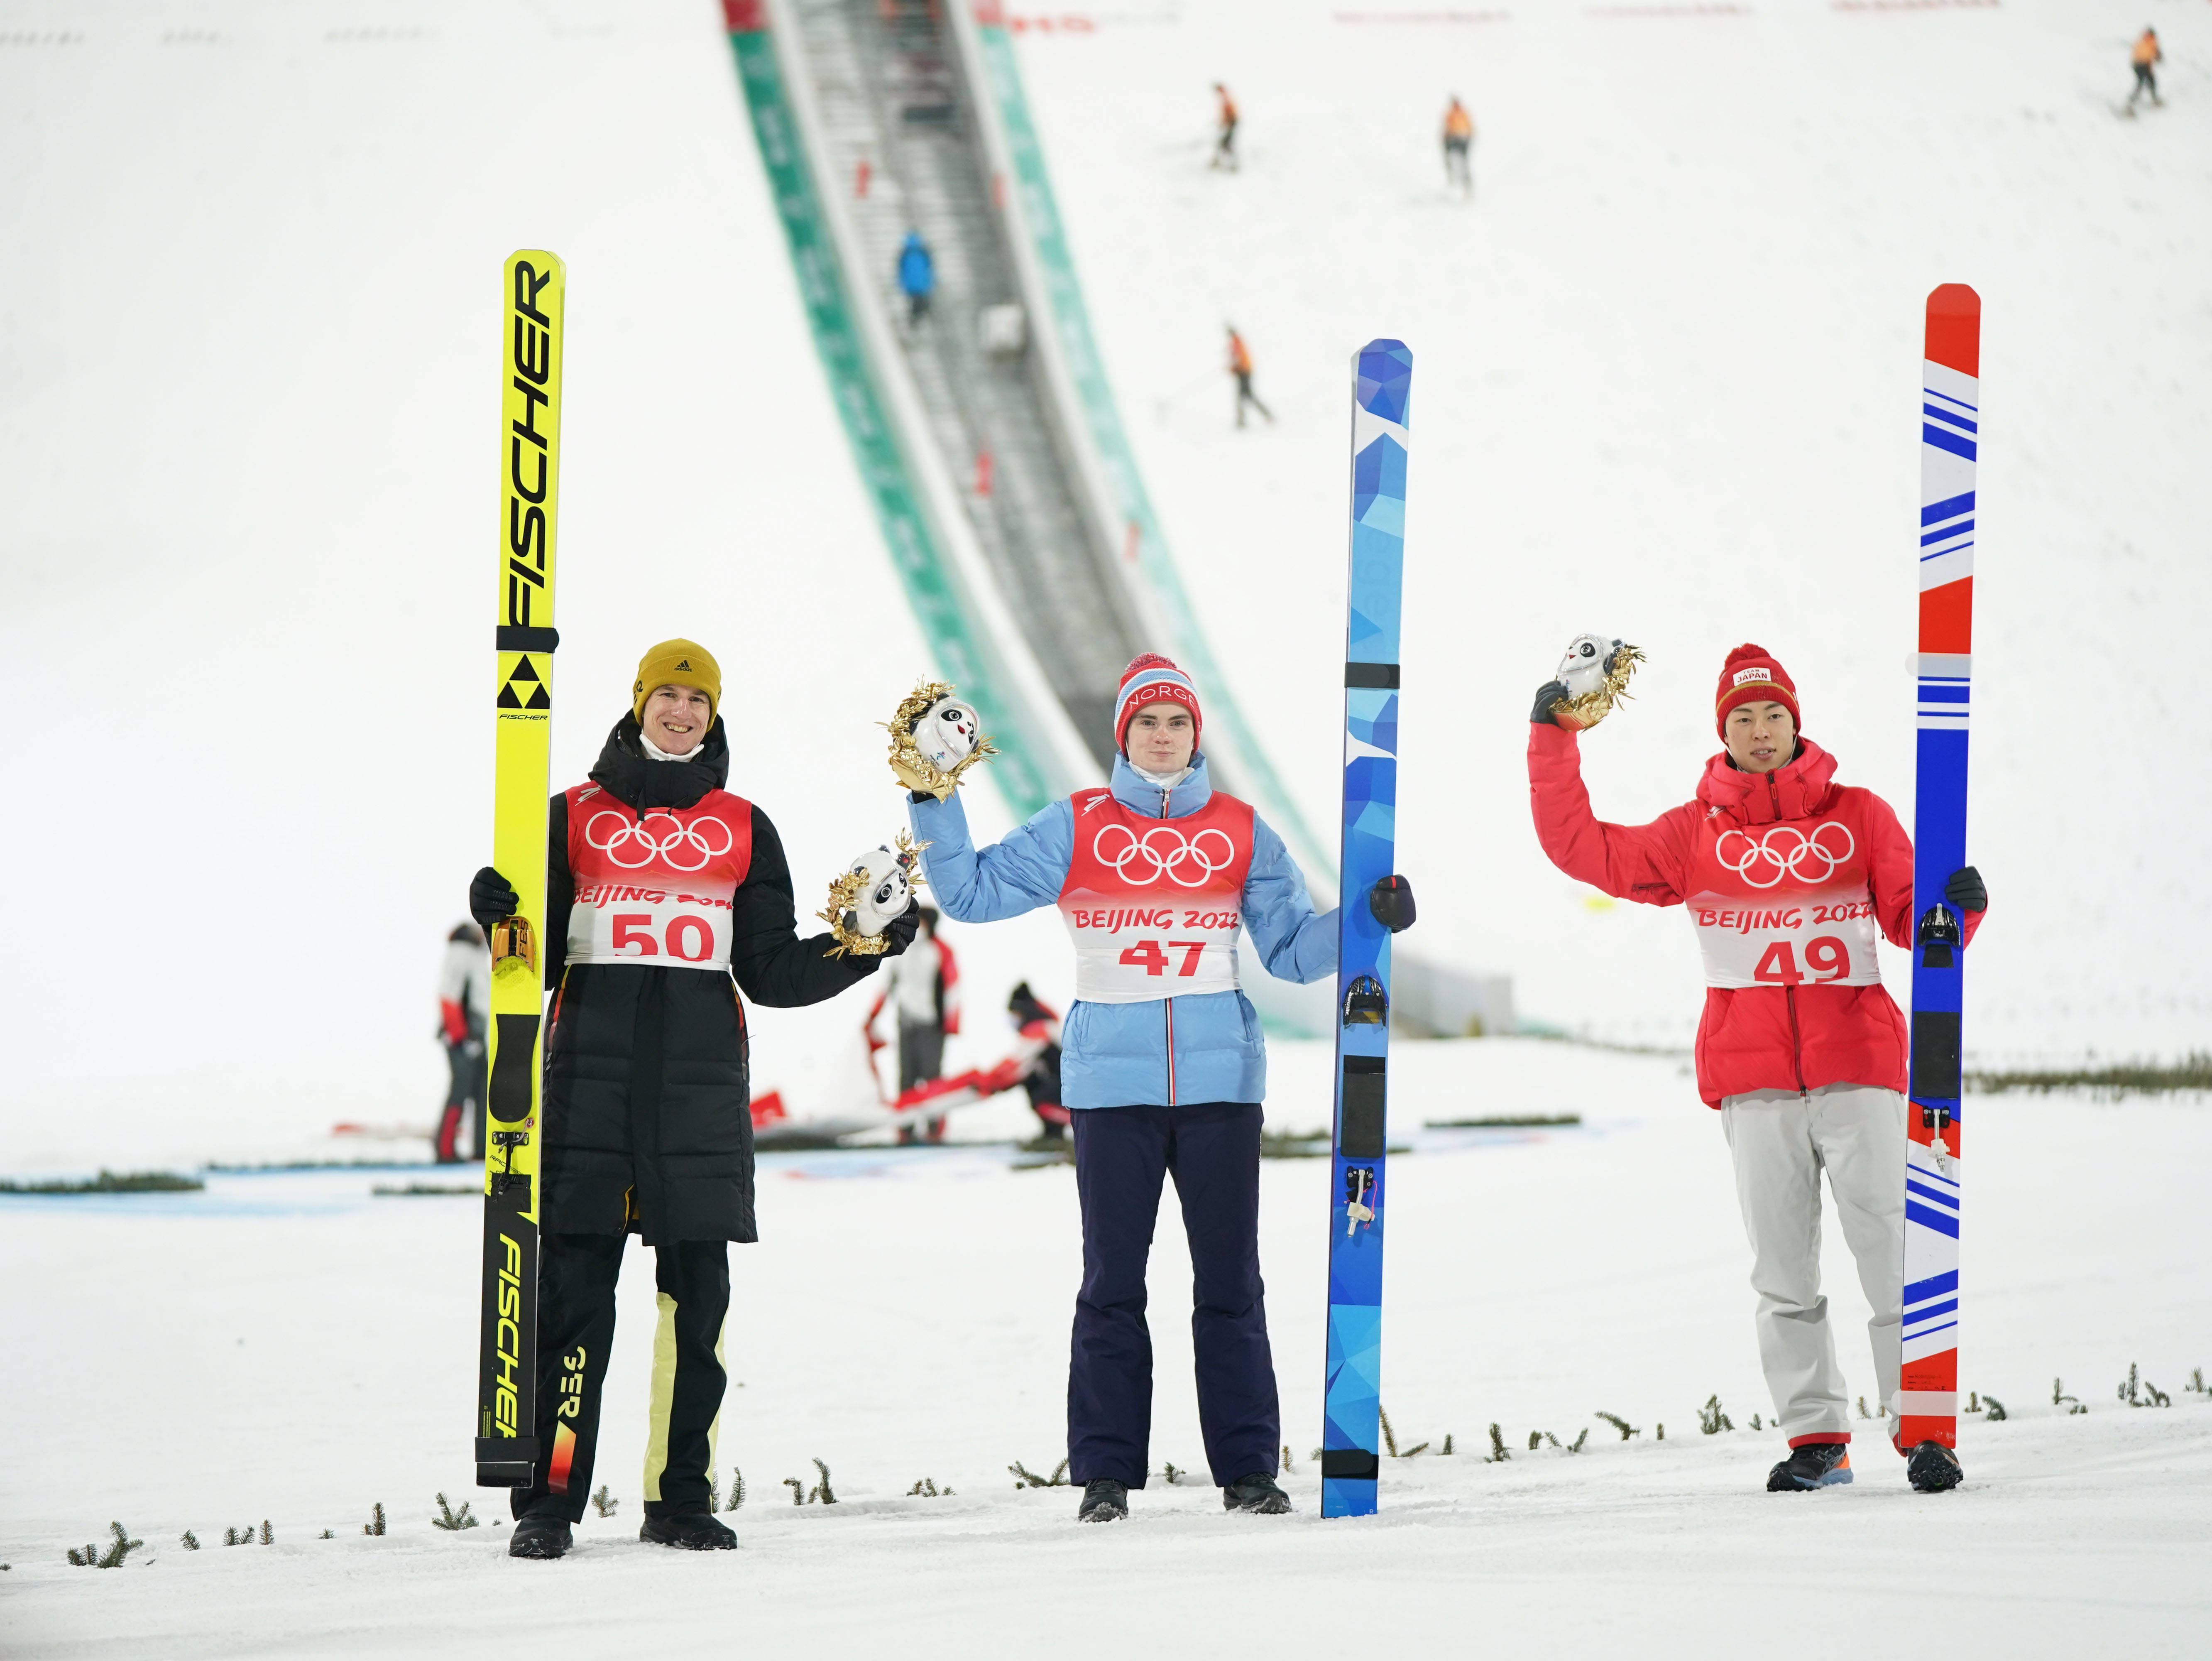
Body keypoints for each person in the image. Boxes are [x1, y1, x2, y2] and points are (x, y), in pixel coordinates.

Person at [898, 654, 1417, 1522]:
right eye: (1149, 722)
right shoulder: (1078, 824)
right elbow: (972, 890)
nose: (1164, 736)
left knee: (1230, 1279)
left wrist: (1368, 919)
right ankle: (1106, 1475)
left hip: (1220, 1082)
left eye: (1178, 722)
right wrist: (932, 793)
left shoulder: (1242, 829)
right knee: (1111, 1280)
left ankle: (1248, 1469)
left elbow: (1290, 949)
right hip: (1109, 1086)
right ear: (1124, 734)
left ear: (1196, 734)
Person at [469, 639, 915, 1561]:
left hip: (700, 1100)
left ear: (714, 714)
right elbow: (532, 961)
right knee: (575, 1309)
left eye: (698, 700)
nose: (682, 712)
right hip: (590, 1089)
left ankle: (679, 1497)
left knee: (696, 1312)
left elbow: (768, 970)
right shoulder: (569, 815)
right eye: (668, 696)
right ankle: (550, 1499)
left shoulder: (745, 825)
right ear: (638, 703)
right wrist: (499, 916)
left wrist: (861, 945)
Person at [1526, 641, 1986, 1497]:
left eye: (1774, 713)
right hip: (1755, 1081)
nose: (1762, 730)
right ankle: (1818, 1438)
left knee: (1892, 1253)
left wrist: (1959, 913)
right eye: (1744, 717)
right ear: (1723, 732)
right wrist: (1553, 735)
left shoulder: (1862, 815)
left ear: (1797, 720)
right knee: (1783, 1273)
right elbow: (1582, 847)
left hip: (1861, 1069)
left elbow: (1911, 926)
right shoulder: (1690, 832)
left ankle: (1925, 1429)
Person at [868, 905, 962, 1143]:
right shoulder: (900, 951)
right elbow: (887, 985)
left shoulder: (941, 951)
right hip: (906, 1021)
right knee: (906, 1077)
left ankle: (935, 1129)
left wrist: (951, 1023)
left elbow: (953, 989)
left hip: (931, 1023)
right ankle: (905, 1129)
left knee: (932, 1078)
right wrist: (873, 1015)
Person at [435, 922, 490, 1164]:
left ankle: (481, 1149)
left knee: (482, 1090)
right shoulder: (461, 953)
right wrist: (460, 1035)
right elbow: (449, 994)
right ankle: (444, 1148)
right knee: (461, 1089)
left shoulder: (474, 955)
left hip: (473, 1033)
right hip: (463, 1035)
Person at [1008, 980, 1069, 1141]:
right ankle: (1054, 1130)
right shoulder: (1046, 1027)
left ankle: (1075, 1123)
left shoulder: (1039, 1030)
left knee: (1041, 1100)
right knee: (1032, 1083)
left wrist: (989, 1081)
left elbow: (1015, 1064)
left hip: (1070, 1085)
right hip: (1064, 1082)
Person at [1226, 327, 1272, 430]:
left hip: (1244, 373)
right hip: (1244, 372)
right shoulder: (1238, 341)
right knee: (1246, 396)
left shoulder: (1236, 343)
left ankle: (1243, 421)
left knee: (1245, 396)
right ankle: (1265, 415)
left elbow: (1237, 359)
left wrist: (1232, 368)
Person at [897, 230, 935, 326]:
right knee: (922, 306)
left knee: (915, 307)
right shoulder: (923, 253)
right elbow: (929, 269)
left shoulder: (905, 254)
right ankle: (919, 324)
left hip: (911, 287)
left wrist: (902, 284)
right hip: (922, 286)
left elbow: (901, 271)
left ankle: (914, 324)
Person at [1442, 96, 1475, 196]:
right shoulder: (1453, 114)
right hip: (1457, 139)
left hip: (1460, 139)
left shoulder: (1461, 114)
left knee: (1463, 163)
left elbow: (1469, 128)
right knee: (1456, 161)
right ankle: (1455, 181)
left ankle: (1465, 186)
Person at [2128, 27, 2163, 109]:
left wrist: (2158, 55)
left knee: (2151, 81)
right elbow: (2146, 53)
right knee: (2142, 82)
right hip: (2140, 65)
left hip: (2145, 65)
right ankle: (2131, 103)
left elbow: (2155, 52)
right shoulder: (2145, 42)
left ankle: (2154, 99)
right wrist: (2157, 55)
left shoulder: (2150, 42)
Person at [1211, 83, 1238, 171]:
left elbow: (1230, 112)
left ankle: (1232, 164)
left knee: (1226, 144)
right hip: (1230, 123)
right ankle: (1227, 163)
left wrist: (1226, 122)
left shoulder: (1225, 97)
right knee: (1224, 144)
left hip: (1231, 123)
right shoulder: (1225, 97)